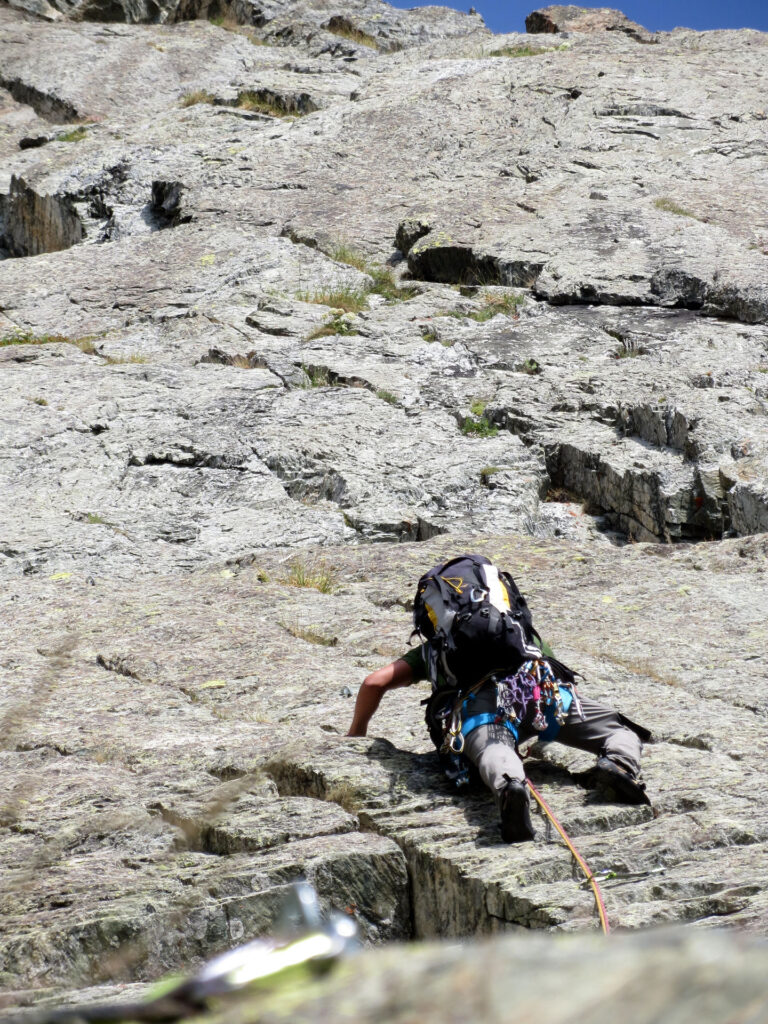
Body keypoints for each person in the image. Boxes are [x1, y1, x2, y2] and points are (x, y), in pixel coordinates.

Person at [347, 558, 650, 843]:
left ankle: (511, 787)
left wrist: (357, 732)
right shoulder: (519, 634)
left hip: (483, 708)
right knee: (620, 730)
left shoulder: (436, 651)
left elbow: (374, 682)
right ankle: (619, 763)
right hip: (540, 693)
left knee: (496, 749)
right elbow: (560, 676)